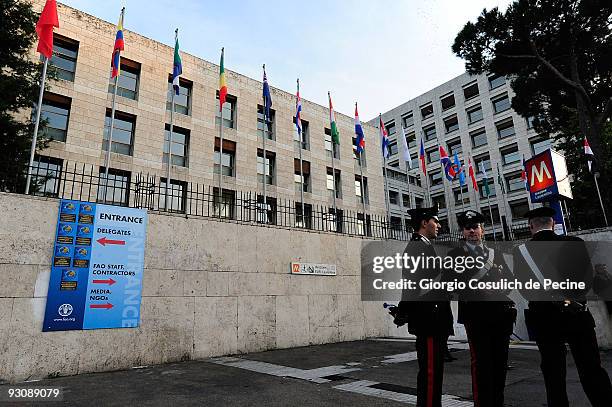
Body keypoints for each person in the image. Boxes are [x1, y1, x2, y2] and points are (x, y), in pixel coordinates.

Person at [513, 206, 612, 407]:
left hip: (545, 321)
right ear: (554, 223)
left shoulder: (521, 251)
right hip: (577, 316)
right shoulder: (575, 243)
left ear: (531, 226)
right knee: (592, 370)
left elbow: (525, 290)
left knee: (553, 375)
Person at [447, 210, 516, 407]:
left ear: (482, 230)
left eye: (475, 227)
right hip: (475, 316)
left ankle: (498, 402)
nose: (472, 231)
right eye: (467, 228)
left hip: (500, 315)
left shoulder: (496, 253)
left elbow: (510, 282)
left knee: (500, 363)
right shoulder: (455, 255)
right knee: (482, 364)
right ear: (462, 232)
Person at [395, 207, 454, 407]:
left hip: (433, 318)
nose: (438, 225)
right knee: (430, 374)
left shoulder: (425, 247)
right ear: (423, 223)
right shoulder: (417, 248)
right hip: (429, 320)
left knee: (434, 373)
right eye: (435, 221)